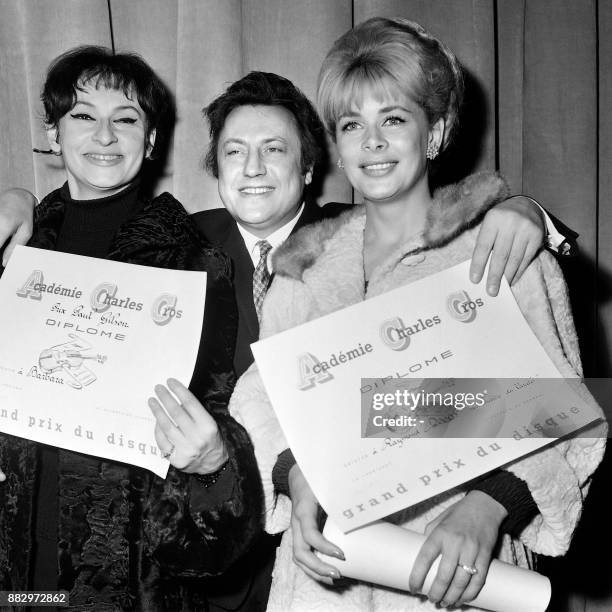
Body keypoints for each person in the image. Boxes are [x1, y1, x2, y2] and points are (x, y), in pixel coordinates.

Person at [0, 68, 567, 610]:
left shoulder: (363, 239)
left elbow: (515, 388)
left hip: (358, 560)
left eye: (274, 149)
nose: (253, 168)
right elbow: (86, 240)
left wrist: (529, 212)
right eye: (233, 152)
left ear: (309, 167)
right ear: (215, 167)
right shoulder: (172, 245)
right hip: (207, 578)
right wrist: (22, 200)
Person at [227, 17, 606, 611]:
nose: (371, 143)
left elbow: (570, 408)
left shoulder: (501, 252)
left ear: (436, 131)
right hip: (324, 579)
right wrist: (295, 475)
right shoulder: (302, 270)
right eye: (352, 124)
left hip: (457, 575)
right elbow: (260, 398)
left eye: (394, 119)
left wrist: (488, 507)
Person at [0, 46, 262, 610]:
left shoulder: (192, 264)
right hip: (18, 584)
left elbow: (216, 416)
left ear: (150, 141)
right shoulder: (14, 249)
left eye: (126, 119)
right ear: (51, 131)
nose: (104, 135)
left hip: (126, 584)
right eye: (82, 115)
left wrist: (216, 462)